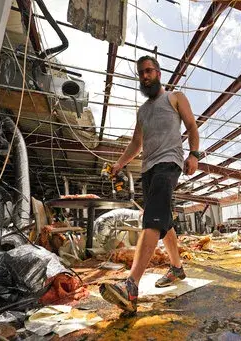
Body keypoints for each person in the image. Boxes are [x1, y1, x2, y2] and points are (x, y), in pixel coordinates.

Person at [99, 55, 200, 313]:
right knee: (163, 222)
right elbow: (136, 143)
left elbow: (191, 125)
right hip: (148, 168)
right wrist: (120, 164)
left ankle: (131, 285)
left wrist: (194, 154)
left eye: (148, 71)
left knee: (152, 219)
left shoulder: (175, 98)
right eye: (141, 73)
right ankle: (177, 269)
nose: (144, 76)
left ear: (158, 73)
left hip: (169, 163)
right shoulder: (142, 111)